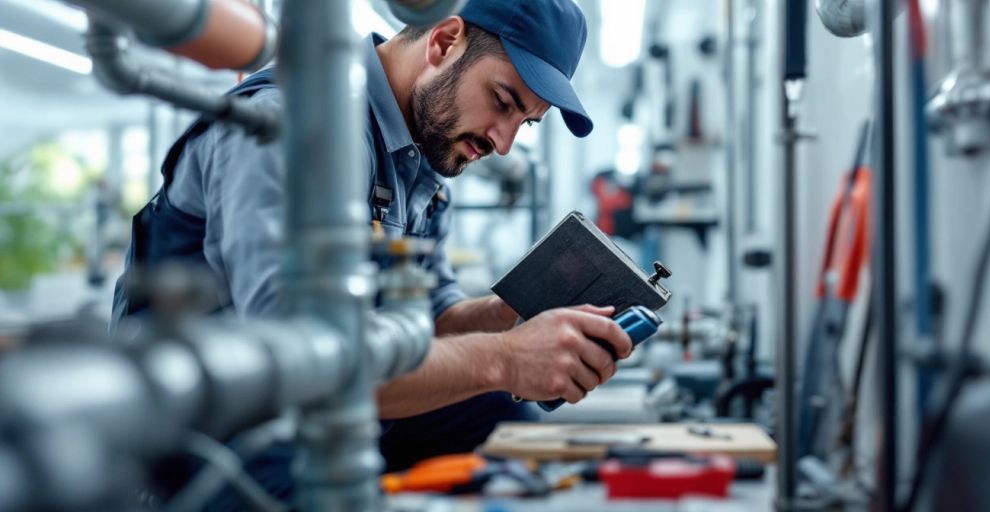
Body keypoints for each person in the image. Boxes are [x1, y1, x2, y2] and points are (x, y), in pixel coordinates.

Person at [110, 0, 632, 504]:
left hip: (333, 421)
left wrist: (510, 315)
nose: (503, 143)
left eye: (525, 123)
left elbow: (430, 319)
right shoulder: (288, 127)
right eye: (502, 101)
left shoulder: (423, 157)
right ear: (445, 42)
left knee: (499, 418)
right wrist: (506, 359)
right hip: (221, 439)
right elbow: (304, 367)